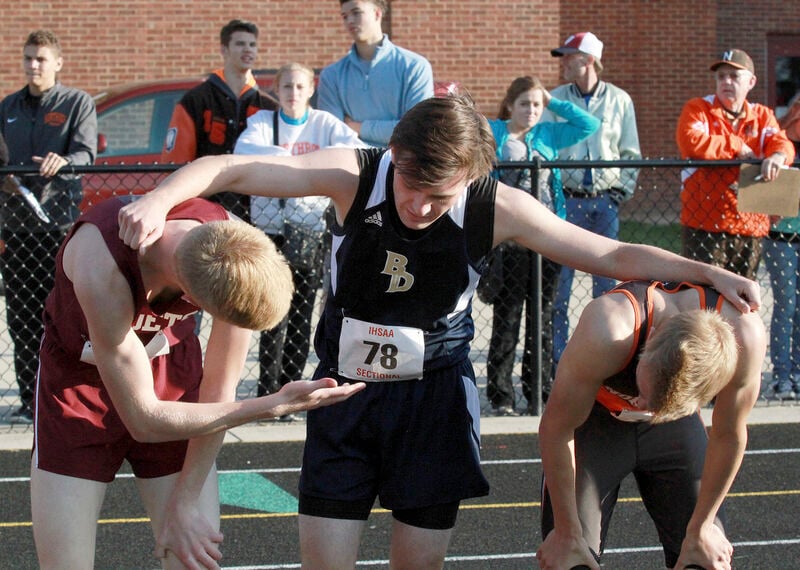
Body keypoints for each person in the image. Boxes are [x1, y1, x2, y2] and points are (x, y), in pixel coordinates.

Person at [117, 95, 761, 569]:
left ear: (470, 182)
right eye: (411, 184)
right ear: (395, 156)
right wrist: (156, 200)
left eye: (440, 196)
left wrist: (702, 269)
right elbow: (229, 169)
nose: (419, 207)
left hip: (435, 401)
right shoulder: (355, 174)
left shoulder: (496, 207)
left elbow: (609, 255)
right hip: (342, 393)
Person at [31, 195, 365, 569]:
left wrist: (186, 500)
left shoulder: (236, 248)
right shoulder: (102, 266)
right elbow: (144, 420)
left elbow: (219, 392)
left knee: (193, 555)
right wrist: (272, 405)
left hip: (170, 371)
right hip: (78, 386)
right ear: (191, 299)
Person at [536, 280, 766, 570]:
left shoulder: (745, 335)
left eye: (657, 406)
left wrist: (703, 527)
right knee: (568, 559)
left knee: (705, 556)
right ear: (652, 338)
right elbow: (556, 428)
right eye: (645, 394)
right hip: (597, 421)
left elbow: (729, 434)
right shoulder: (608, 328)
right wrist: (567, 532)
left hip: (673, 429)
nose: (642, 407)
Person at [234, 62, 364, 405]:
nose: (293, 94)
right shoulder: (263, 123)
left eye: (300, 87)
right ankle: (269, 388)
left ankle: (293, 387)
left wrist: (308, 164)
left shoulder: (324, 124)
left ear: (311, 90)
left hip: (307, 231)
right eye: (287, 87)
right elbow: (244, 151)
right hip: (270, 231)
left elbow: (358, 151)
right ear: (277, 90)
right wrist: (293, 161)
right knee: (271, 310)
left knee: (302, 311)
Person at [485, 76, 600, 415]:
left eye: (536, 105)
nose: (531, 110)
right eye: (525, 104)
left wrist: (552, 102)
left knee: (543, 315)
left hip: (547, 236)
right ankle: (501, 394)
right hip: (510, 240)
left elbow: (588, 124)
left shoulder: (547, 133)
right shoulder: (496, 132)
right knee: (507, 317)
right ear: (510, 105)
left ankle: (539, 389)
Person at [0, 29, 97, 424]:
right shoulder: (8, 106)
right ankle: (29, 400)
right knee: (21, 317)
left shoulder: (77, 103)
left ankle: (63, 398)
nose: (33, 65)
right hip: (17, 229)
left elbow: (87, 153)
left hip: (58, 229)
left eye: (41, 59)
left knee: (62, 317)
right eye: (28, 58)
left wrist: (65, 161)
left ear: (58, 63)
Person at [545, 31, 642, 372]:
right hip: (566, 204)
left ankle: (606, 361)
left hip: (604, 203)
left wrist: (619, 193)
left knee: (608, 290)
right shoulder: (555, 100)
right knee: (559, 287)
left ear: (587, 60)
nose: (563, 64)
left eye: (569, 57)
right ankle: (557, 360)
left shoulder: (619, 100)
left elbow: (631, 152)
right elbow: (545, 150)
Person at [676, 48, 796, 279]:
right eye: (721, 76)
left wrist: (778, 156)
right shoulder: (699, 109)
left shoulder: (761, 115)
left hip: (750, 226)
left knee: (743, 303)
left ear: (751, 82)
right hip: (704, 226)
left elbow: (781, 142)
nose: (726, 82)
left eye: (734, 76)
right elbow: (691, 142)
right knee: (702, 302)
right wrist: (736, 145)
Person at [161, 19, 278, 222]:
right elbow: (176, 160)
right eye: (240, 44)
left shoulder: (268, 105)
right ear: (224, 49)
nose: (247, 50)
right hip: (205, 204)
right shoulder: (195, 100)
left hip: (257, 209)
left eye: (252, 44)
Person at [316, 0, 434, 147]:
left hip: (402, 165)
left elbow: (417, 130)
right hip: (351, 164)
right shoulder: (331, 76)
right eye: (345, 16)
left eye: (356, 13)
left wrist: (359, 127)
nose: (349, 21)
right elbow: (331, 134)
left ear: (377, 13)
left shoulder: (415, 66)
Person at [761, 100, 800, 401]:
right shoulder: (781, 138)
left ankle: (797, 372)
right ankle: (781, 375)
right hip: (780, 235)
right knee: (785, 305)